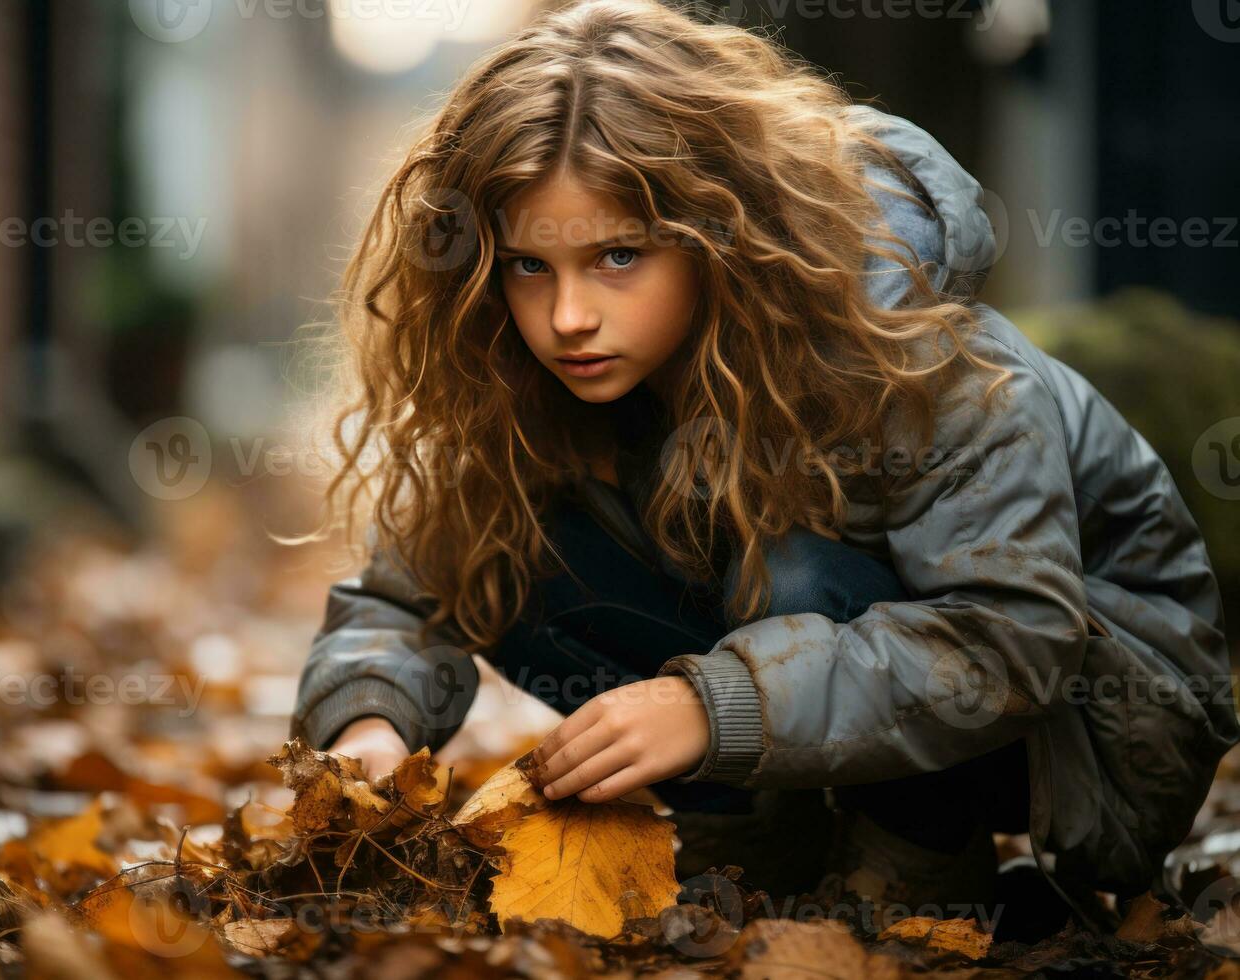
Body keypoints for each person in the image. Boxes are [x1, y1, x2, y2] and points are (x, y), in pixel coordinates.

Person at [287, 0, 1237, 923]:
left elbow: (1010, 637)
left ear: (718, 232)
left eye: (618, 256)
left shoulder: (915, 352)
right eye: (531, 266)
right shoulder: (555, 384)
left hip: (1095, 718)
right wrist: (368, 728)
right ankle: (757, 843)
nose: (568, 316)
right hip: (845, 698)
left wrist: (715, 709)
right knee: (514, 536)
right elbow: (405, 596)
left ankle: (918, 860)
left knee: (796, 564)